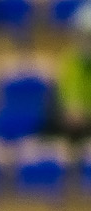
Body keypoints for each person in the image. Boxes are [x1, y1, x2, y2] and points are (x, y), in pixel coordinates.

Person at [48, 6, 91, 141]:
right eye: (83, 36)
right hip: (74, 133)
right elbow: (67, 107)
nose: (87, 42)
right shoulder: (70, 62)